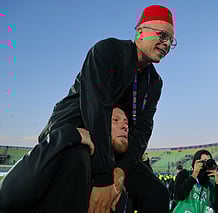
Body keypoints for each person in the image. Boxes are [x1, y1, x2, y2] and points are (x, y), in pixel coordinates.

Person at [0, 5, 176, 213]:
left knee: (157, 192)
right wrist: (103, 181)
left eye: (171, 41)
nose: (166, 44)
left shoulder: (154, 83)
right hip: (77, 132)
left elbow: (143, 131)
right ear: (140, 31)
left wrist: (121, 170)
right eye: (162, 35)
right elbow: (96, 110)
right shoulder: (108, 51)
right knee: (77, 162)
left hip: (113, 148)